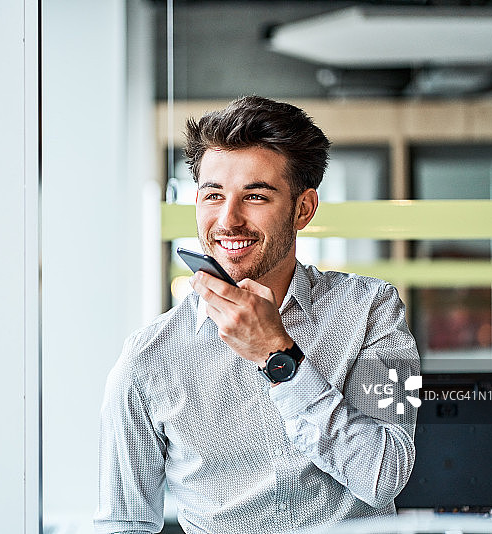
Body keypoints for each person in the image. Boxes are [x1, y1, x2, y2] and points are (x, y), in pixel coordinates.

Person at [94, 96, 420, 534]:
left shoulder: (374, 310)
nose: (228, 220)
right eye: (213, 195)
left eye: (255, 196)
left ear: (303, 208)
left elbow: (386, 474)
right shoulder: (147, 357)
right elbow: (123, 523)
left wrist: (278, 356)